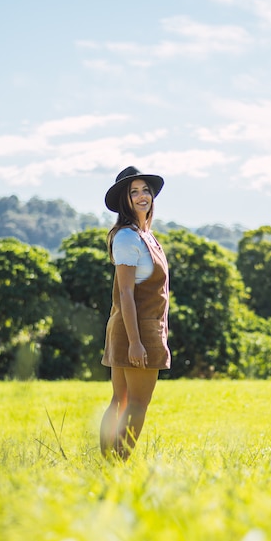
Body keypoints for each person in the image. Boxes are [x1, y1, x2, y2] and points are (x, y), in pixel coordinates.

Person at [100, 166, 171, 459]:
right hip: (137, 330)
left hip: (136, 327)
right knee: (136, 402)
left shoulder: (146, 236)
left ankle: (106, 467)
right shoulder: (128, 238)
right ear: (124, 201)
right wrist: (136, 341)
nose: (142, 196)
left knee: (122, 399)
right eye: (134, 192)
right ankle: (116, 465)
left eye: (145, 190)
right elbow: (126, 292)